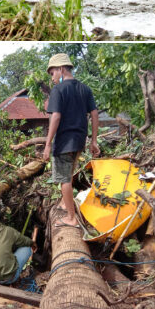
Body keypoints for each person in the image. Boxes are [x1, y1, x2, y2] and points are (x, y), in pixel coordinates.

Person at [40, 53, 99, 228]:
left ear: (61, 69)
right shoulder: (85, 89)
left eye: (52, 73)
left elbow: (56, 117)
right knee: (69, 174)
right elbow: (94, 114)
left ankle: (71, 218)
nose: (52, 78)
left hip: (64, 141)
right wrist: (93, 141)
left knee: (64, 179)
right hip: (79, 140)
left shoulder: (59, 90)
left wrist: (48, 143)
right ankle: (66, 203)